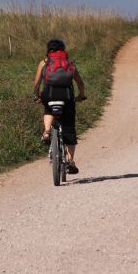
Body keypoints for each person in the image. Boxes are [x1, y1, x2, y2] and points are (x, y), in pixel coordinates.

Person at [33, 39, 86, 175]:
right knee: (69, 125)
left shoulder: (44, 63)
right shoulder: (68, 62)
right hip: (67, 96)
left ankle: (46, 132)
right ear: (63, 49)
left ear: (48, 50)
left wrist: (37, 96)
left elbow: (37, 83)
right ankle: (71, 160)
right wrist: (81, 95)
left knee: (48, 109)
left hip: (49, 94)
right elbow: (80, 83)